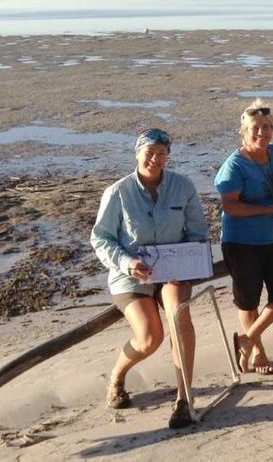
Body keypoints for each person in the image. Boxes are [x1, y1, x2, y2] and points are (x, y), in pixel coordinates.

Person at [91, 128, 209, 429]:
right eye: (150, 153)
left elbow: (197, 230)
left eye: (162, 154)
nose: (155, 159)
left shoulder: (183, 186)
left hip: (172, 272)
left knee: (179, 317)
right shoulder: (117, 192)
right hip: (131, 274)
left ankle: (184, 399)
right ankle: (118, 376)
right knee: (149, 338)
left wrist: (190, 266)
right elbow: (102, 238)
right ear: (137, 153)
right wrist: (127, 262)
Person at [215, 100, 273, 375]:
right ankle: (258, 352)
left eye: (266, 127)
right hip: (242, 241)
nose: (261, 133)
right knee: (248, 300)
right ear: (243, 131)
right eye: (255, 129)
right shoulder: (234, 165)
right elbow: (230, 206)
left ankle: (246, 339)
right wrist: (272, 208)